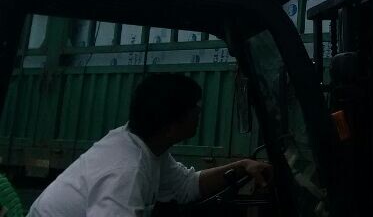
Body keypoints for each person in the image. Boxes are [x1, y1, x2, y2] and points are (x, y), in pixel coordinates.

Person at [28, 73, 271, 216]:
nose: (199, 113)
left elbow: (186, 186)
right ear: (170, 127)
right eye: (193, 109)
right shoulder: (126, 173)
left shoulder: (147, 147)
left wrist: (242, 166)